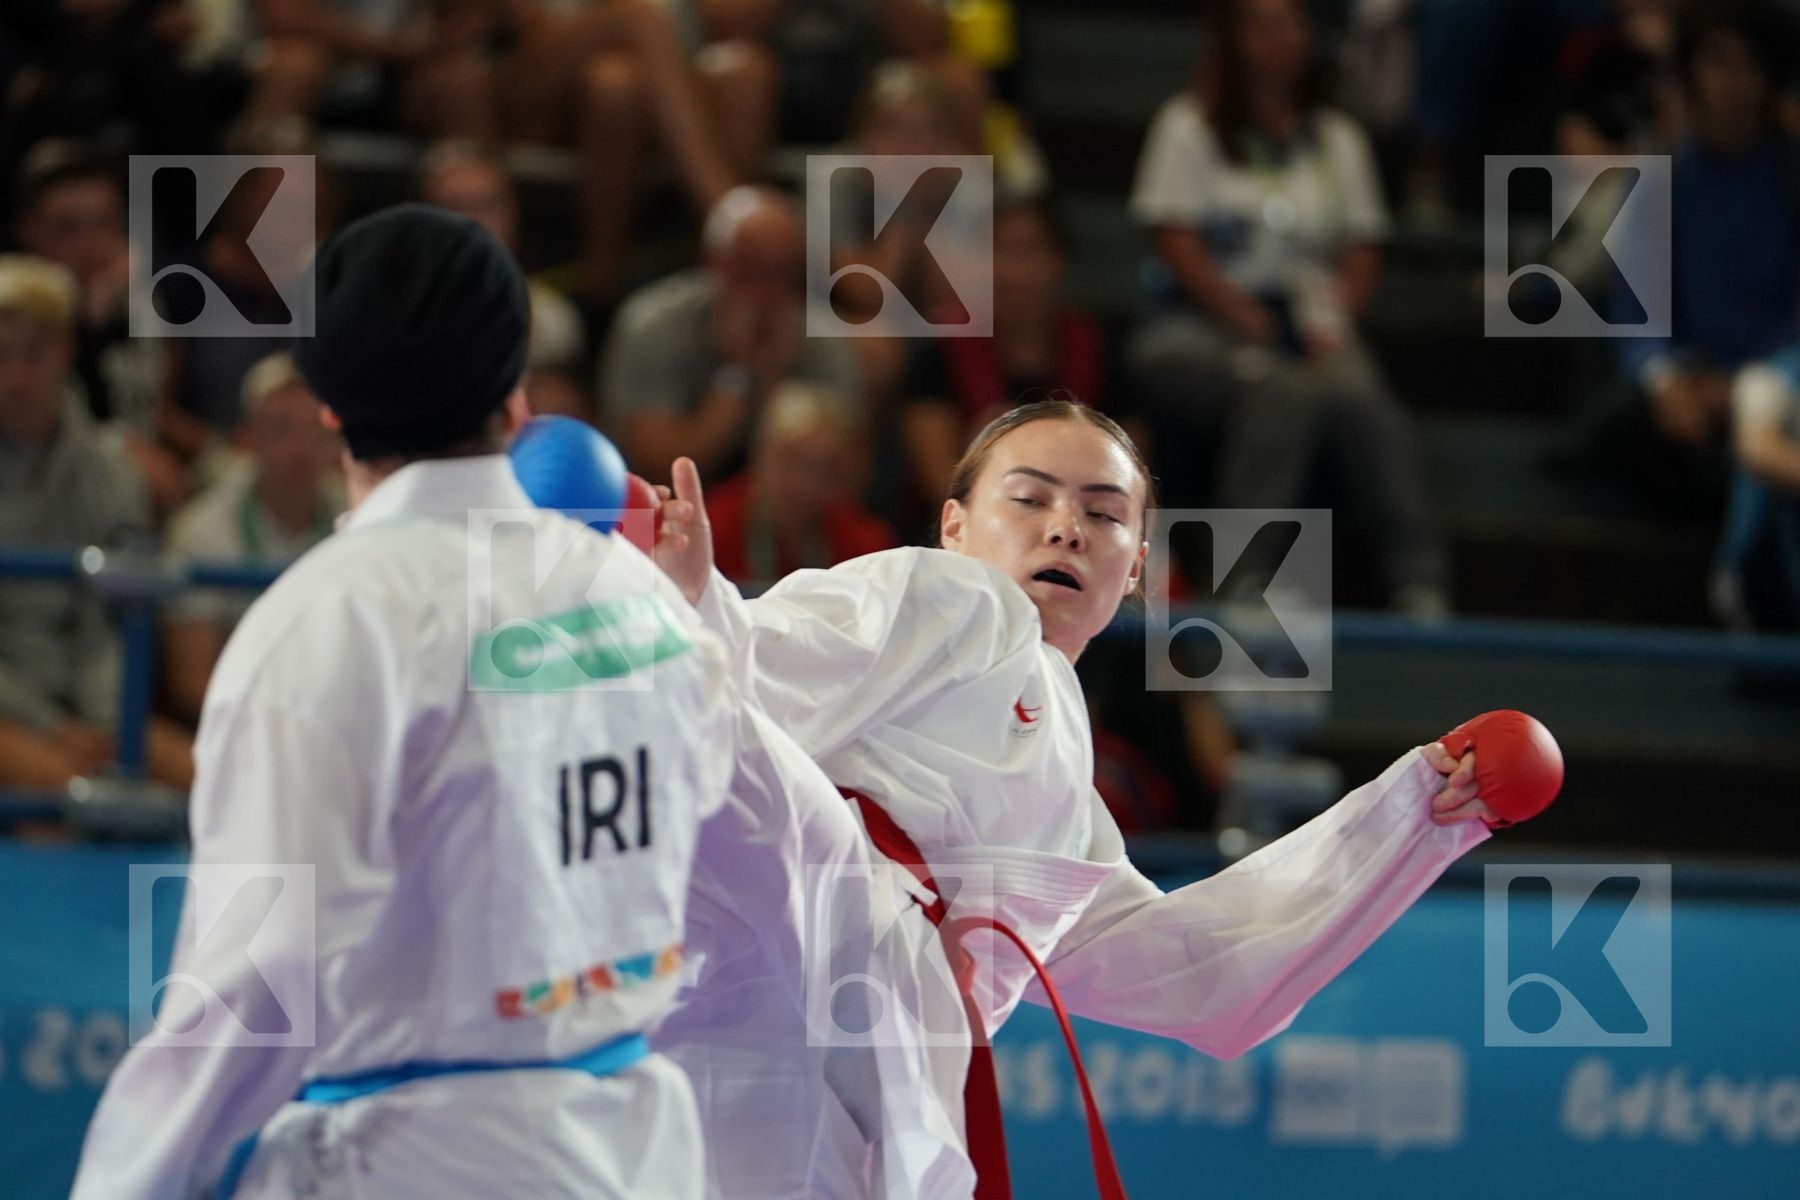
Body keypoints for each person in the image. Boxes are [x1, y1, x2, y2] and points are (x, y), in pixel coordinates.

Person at [646, 399, 1538, 1197]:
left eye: (1103, 514)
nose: (1066, 529)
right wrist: (688, 612)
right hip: (776, 948)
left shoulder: (1068, 817)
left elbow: (1210, 975)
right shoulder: (948, 595)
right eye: (1028, 499)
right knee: (764, 791)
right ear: (954, 525)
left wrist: (1420, 816)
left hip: (872, 1087)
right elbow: (764, 678)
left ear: (1138, 565)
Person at [70, 205, 739, 1199]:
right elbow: (702, 799)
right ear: (517, 397)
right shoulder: (639, 595)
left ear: (327, 407)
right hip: (640, 1149)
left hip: (421, 1163)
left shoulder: (328, 620)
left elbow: (259, 975)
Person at [1126, 0, 1449, 616]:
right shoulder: (1188, 124)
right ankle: (1242, 581)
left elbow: (1362, 247)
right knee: (1282, 391)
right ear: (1231, 38)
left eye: (1290, 23)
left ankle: (1419, 581)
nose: (1277, 39)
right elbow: (1172, 237)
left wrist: (1335, 317)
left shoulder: (1337, 136)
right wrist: (1242, 315)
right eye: (1261, 25)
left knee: (1365, 401)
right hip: (1200, 320)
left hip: (1310, 320)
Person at [0, 254, 192, 793]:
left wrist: (108, 725)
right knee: (67, 797)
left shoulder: (114, 473)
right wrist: (47, 725)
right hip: (12, 708)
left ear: (66, 350)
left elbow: (111, 626)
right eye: (1, 355)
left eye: (32, 354)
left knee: (212, 783)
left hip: (93, 712)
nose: (16, 376)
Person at [602, 185, 862, 482]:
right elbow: (659, 468)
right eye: (749, 269)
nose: (765, 290)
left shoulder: (823, 340)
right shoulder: (654, 327)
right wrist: (737, 375)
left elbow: (843, 472)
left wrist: (775, 383)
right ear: (712, 262)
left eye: (781, 272)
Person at [160, 352, 342, 725]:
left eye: (316, 432)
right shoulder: (202, 533)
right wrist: (274, 731)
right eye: (281, 430)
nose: (300, 451)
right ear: (250, 437)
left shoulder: (360, 522)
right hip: (239, 727)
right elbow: (192, 682)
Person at [707, 380, 895, 588]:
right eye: (792, 462)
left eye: (826, 470)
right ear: (760, 458)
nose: (804, 485)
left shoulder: (866, 548)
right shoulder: (711, 531)